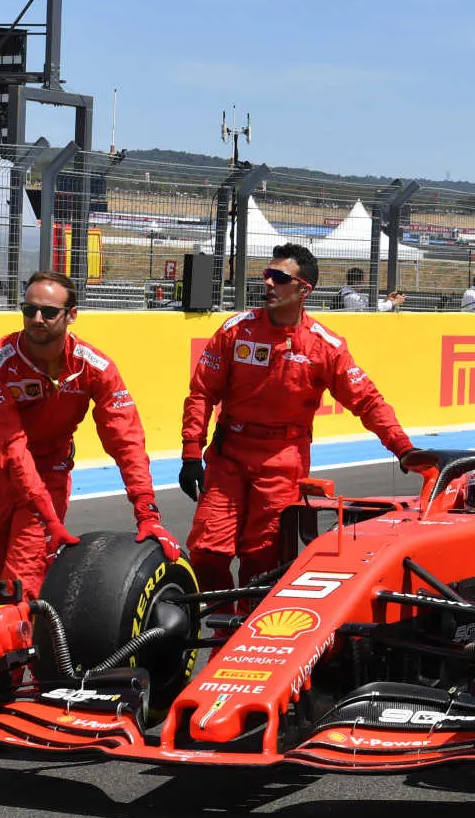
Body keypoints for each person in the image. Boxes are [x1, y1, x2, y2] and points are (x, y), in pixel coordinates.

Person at [180, 243, 424, 589]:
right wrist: (191, 453)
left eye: (278, 278)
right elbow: (202, 392)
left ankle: (249, 634)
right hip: (228, 455)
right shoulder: (236, 330)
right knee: (207, 551)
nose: (267, 283)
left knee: (262, 558)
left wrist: (403, 447)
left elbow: (367, 401)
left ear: (303, 290)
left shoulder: (324, 346)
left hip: (283, 460)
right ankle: (218, 634)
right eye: (267, 274)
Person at [0, 271, 176, 595]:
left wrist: (147, 511)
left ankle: (24, 642)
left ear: (71, 315)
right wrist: (48, 516)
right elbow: (11, 445)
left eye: (49, 312)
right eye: (29, 309)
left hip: (50, 469)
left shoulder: (96, 368)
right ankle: (2, 645)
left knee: (21, 583)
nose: (37, 319)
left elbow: (127, 441)